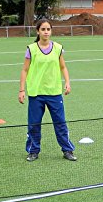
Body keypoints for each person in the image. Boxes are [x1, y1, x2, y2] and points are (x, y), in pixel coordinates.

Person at [19, 19, 77, 162]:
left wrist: (68, 82)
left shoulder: (57, 48)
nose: (46, 32)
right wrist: (21, 90)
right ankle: (33, 151)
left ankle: (67, 150)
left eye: (48, 29)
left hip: (54, 92)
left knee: (60, 123)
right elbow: (24, 70)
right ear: (38, 31)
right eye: (43, 29)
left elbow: (63, 67)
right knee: (34, 124)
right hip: (36, 93)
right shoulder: (31, 49)